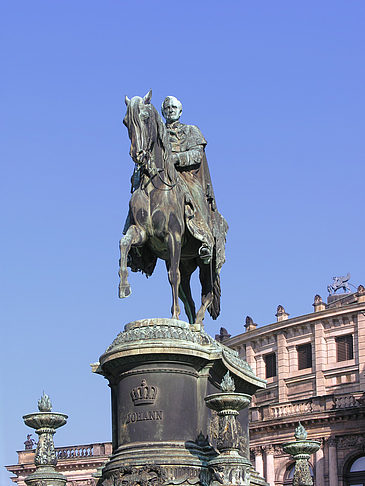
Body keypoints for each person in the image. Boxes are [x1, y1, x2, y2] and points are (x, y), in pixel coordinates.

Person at [161, 96, 226, 265]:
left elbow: (197, 155)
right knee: (139, 195)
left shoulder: (191, 130)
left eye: (173, 108)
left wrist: (175, 159)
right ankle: (136, 248)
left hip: (186, 176)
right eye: (167, 108)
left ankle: (204, 238)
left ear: (180, 111)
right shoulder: (158, 132)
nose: (170, 111)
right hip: (162, 176)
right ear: (162, 112)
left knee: (196, 195)